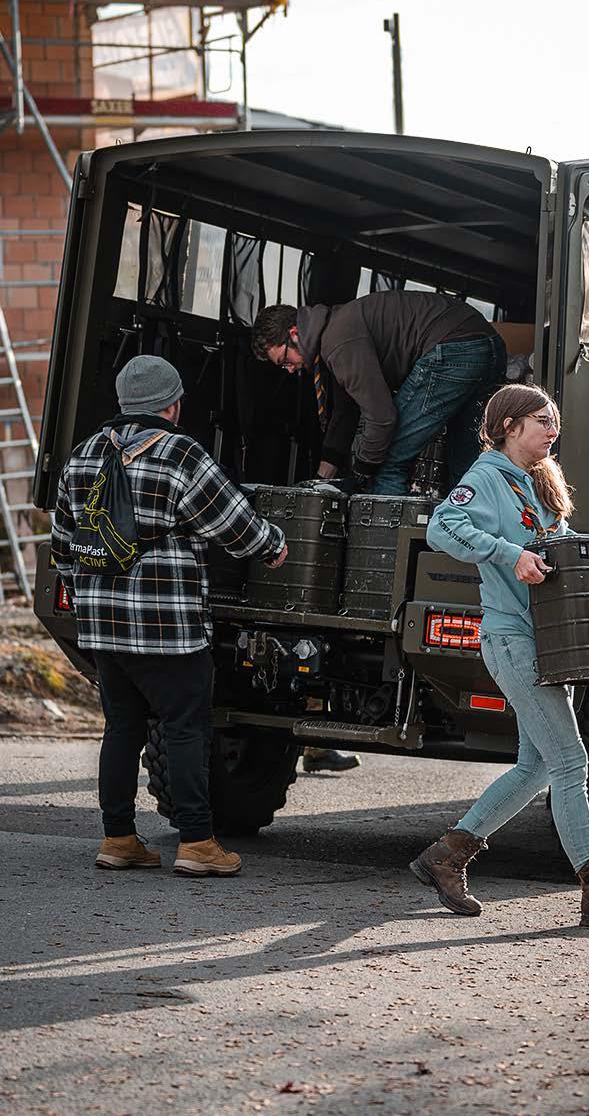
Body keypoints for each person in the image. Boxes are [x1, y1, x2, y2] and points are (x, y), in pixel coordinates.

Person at [409, 383, 589, 928]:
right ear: (509, 426)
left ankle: (447, 856)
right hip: (513, 641)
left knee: (536, 768)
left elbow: (555, 549)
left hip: (550, 644)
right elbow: (442, 527)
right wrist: (509, 555)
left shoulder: (534, 482)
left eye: (555, 422)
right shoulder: (486, 477)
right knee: (571, 762)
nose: (554, 430)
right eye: (542, 421)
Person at [51, 355, 288, 878]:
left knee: (121, 727)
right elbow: (234, 524)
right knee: (185, 729)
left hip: (104, 626)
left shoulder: (84, 454)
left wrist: (90, 594)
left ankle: (118, 838)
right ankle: (198, 843)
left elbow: (63, 546)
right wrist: (274, 547)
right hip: (167, 628)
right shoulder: (180, 454)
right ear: (173, 404)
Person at [251, 291, 506, 495]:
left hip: (453, 349)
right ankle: (469, 537)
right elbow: (346, 412)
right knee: (465, 463)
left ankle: (386, 545)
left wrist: (362, 472)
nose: (289, 369)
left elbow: (382, 418)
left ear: (294, 334)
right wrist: (321, 480)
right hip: (486, 344)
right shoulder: (334, 329)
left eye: (284, 360)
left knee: (387, 462)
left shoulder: (338, 342)